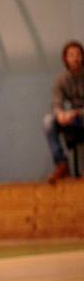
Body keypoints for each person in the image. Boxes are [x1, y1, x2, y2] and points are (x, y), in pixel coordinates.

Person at [44, 40, 84, 183]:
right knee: (48, 121)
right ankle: (62, 164)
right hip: (71, 118)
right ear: (65, 58)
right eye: (71, 55)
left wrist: (77, 112)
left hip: (80, 116)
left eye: (78, 54)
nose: (75, 58)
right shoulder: (61, 79)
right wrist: (60, 114)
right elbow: (57, 101)